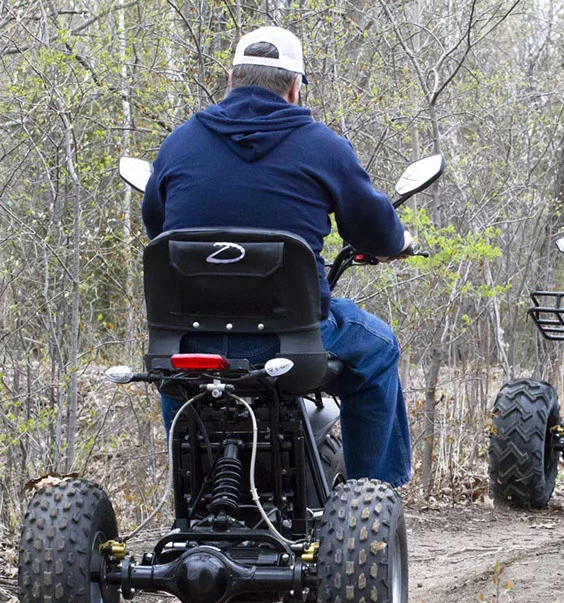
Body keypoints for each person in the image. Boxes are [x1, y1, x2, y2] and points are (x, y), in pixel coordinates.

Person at [141, 26, 414, 487]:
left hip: (190, 339)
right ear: (293, 87)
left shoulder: (179, 143)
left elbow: (157, 228)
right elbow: (378, 233)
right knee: (379, 348)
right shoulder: (323, 146)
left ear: (231, 80)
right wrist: (398, 244)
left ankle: (192, 494)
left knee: (176, 373)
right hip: (291, 340)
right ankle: (375, 496)